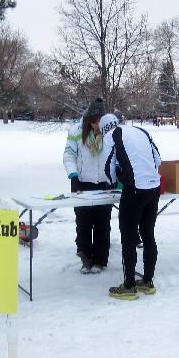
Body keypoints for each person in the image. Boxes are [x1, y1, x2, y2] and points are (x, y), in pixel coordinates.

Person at [99, 113, 162, 300]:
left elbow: (107, 165)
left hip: (134, 189)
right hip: (154, 187)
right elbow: (157, 160)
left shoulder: (111, 135)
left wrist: (113, 181)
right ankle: (148, 282)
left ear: (104, 128)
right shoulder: (141, 130)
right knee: (148, 233)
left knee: (128, 236)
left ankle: (128, 286)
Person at [62, 98, 113, 274]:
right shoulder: (76, 131)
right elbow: (69, 155)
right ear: (89, 119)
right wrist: (73, 175)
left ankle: (100, 260)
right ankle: (85, 259)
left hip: (104, 184)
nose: (97, 124)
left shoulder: (110, 132)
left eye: (100, 120)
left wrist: (114, 176)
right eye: (94, 120)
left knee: (102, 223)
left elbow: (114, 156)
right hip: (81, 183)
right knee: (83, 223)